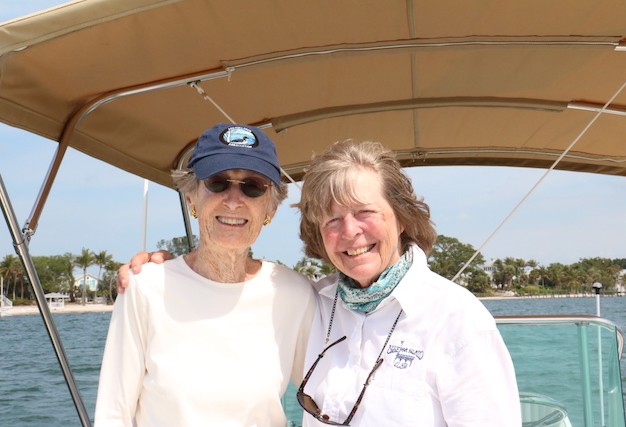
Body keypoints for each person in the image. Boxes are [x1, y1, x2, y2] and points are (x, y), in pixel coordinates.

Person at [120, 139, 521, 426]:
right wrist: (168, 271)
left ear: (401, 218)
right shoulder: (312, 301)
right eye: (332, 219)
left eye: (365, 212)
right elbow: (232, 300)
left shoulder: (456, 319)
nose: (350, 232)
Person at [94, 123, 316, 427]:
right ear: (191, 198)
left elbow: (327, 396)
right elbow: (112, 415)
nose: (234, 200)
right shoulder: (144, 287)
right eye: (217, 182)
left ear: (270, 209)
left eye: (253, 186)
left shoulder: (295, 293)